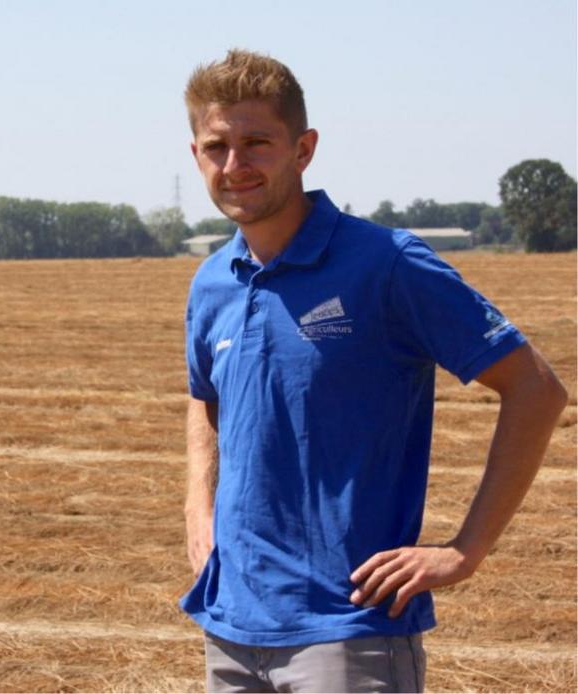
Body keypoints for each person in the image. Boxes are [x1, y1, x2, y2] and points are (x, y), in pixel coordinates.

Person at [180, 49, 567, 693]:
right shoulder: (213, 280)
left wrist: (465, 550)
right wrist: (199, 507)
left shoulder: (386, 264)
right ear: (196, 155)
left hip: (349, 629)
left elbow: (536, 389)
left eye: (257, 143)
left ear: (304, 149)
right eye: (217, 146)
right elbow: (204, 396)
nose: (235, 165)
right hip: (232, 626)